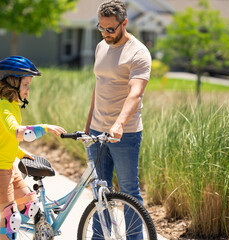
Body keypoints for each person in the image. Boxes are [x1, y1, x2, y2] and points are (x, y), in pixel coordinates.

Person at [0, 56, 66, 240]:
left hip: (7, 167)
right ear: (13, 84)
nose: (28, 89)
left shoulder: (13, 106)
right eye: (25, 85)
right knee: (11, 220)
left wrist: (21, 154)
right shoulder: (3, 108)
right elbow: (17, 133)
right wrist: (45, 128)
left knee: (31, 207)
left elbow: (5, 139)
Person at [84, 0, 151, 238]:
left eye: (110, 29)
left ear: (124, 23)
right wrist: (88, 125)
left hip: (126, 133)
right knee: (99, 192)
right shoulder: (102, 46)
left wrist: (119, 124)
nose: (105, 33)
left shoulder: (138, 53)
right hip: (96, 132)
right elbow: (99, 86)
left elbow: (136, 93)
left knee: (129, 191)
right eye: (101, 28)